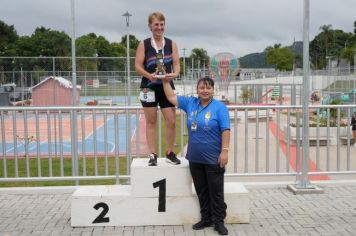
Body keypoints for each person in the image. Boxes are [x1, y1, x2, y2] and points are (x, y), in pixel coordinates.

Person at [162, 76, 230, 235]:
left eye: (208, 88)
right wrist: (165, 81)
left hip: (214, 158)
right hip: (195, 157)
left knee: (216, 191)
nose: (205, 91)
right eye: (202, 88)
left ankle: (218, 221)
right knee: (201, 190)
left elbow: (225, 130)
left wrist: (225, 151)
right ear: (197, 89)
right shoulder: (190, 103)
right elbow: (171, 97)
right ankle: (206, 218)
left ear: (213, 90)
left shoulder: (220, 107)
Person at [135, 12, 181, 166]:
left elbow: (176, 64)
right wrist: (150, 76)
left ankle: (169, 152)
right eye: (156, 25)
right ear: (150, 26)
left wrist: (174, 74)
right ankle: (153, 154)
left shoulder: (171, 43)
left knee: (171, 121)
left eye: (162, 24)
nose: (159, 27)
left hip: (166, 86)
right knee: (151, 121)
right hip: (149, 87)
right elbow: (137, 66)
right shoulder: (144, 44)